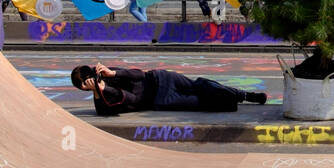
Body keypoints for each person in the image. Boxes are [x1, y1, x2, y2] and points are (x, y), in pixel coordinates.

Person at [71, 63, 268, 115]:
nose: (91, 78)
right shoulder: (102, 99)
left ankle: (244, 95)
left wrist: (113, 74)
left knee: (200, 84)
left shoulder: (108, 73)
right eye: (85, 81)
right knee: (201, 102)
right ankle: (231, 101)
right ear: (83, 88)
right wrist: (101, 91)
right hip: (160, 100)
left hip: (160, 78)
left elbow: (139, 74)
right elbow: (130, 99)